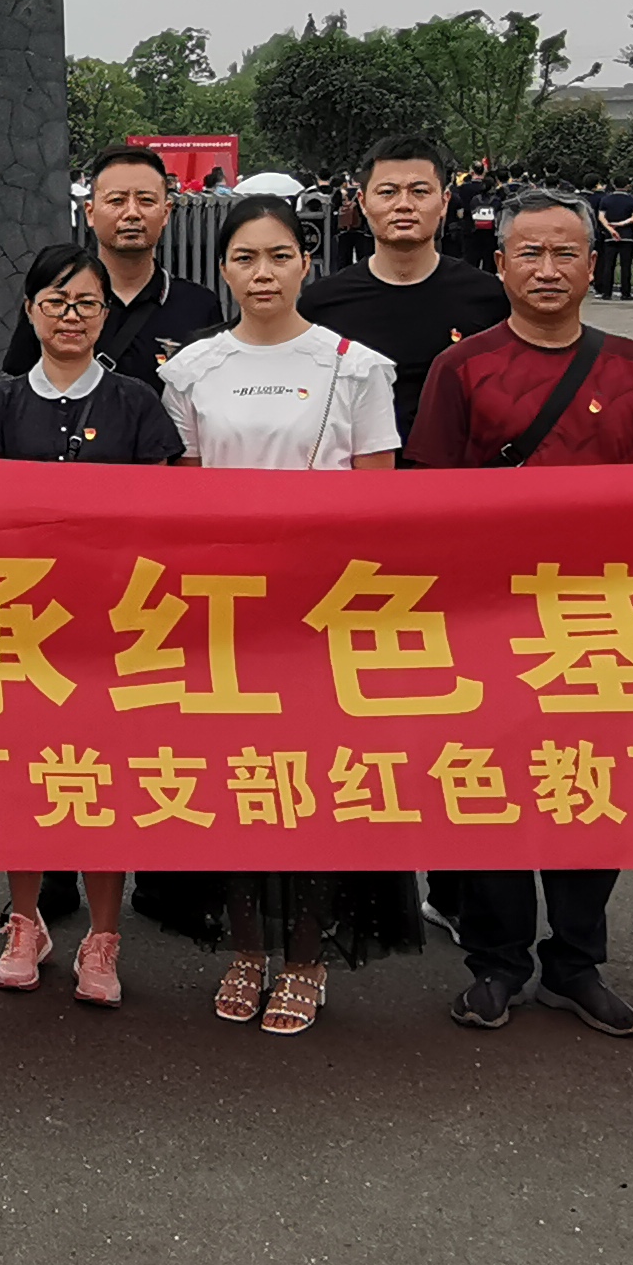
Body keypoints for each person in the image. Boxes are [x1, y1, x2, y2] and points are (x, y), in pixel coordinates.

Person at [403, 190, 633, 1043]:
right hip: (491, 616)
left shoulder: (631, 367)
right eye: (530, 253)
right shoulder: (464, 368)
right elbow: (425, 501)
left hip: (602, 620)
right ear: (501, 266)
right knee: (491, 786)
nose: (548, 269)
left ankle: (576, 962)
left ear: (593, 266)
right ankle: (497, 963)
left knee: (589, 790)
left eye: (566, 252)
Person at [158, 191, 400, 1037]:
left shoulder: (356, 366)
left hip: (325, 609)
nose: (262, 274)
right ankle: (246, 947)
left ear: (306, 262)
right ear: (223, 270)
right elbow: (184, 501)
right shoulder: (191, 370)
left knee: (316, 785)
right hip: (227, 613)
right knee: (235, 784)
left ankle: (306, 955)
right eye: (245, 259)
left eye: (279, 256)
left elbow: (380, 507)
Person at [0, 238, 184, 1006]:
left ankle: (103, 935)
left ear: (104, 313)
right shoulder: (1, 403)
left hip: (115, 627)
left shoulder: (137, 402)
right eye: (55, 302)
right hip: (25, 624)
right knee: (27, 777)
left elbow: (166, 513)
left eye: (87, 302)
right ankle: (24, 920)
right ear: (30, 311)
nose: (71, 316)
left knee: (105, 781)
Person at [299, 137, 509, 444]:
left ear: (444, 202)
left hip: (461, 469)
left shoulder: (490, 299)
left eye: (420, 191)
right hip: (355, 468)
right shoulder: (321, 305)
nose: (404, 205)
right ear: (363, 202)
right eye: (388, 192)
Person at [3, 145, 226, 386]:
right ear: (90, 212)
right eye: (117, 200)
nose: (132, 213)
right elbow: (19, 391)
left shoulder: (199, 307)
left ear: (165, 213)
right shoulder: (55, 303)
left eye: (146, 200)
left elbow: (213, 397)